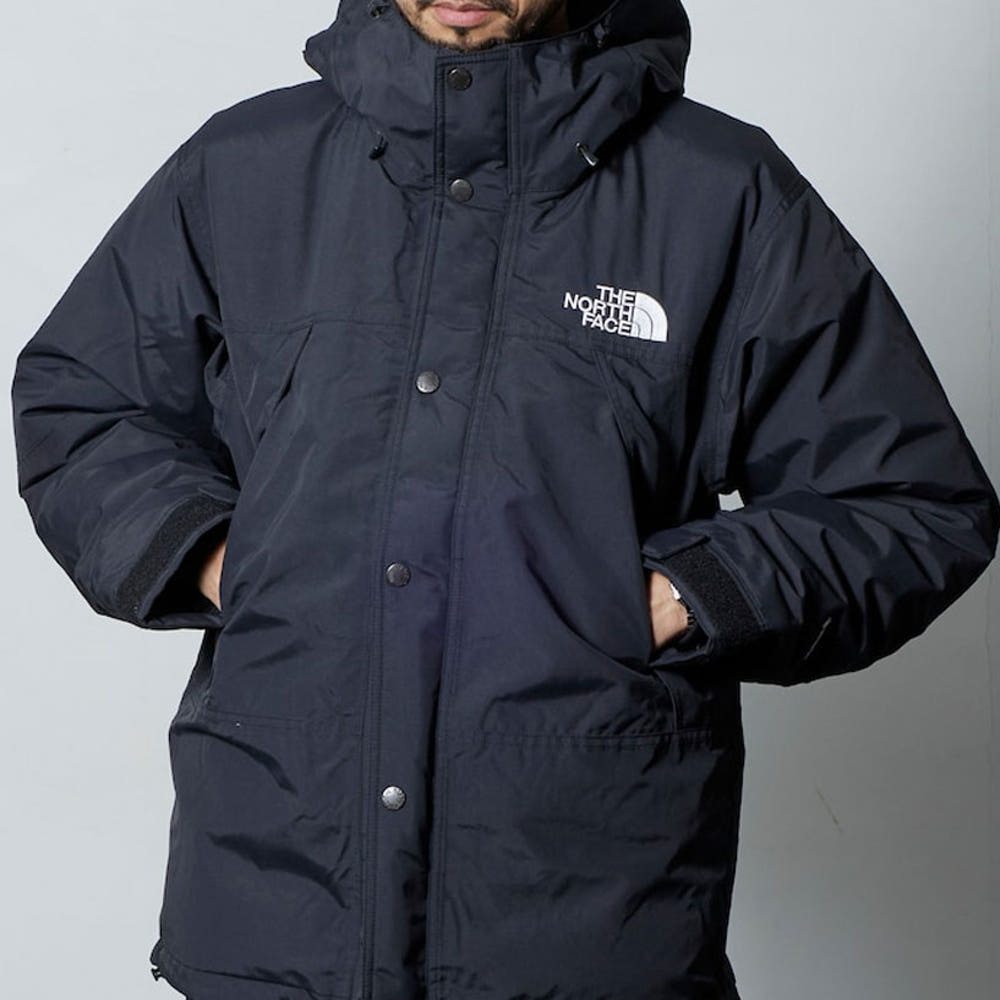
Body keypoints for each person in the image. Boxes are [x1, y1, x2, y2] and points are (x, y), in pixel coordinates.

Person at [10, 1, 998, 998]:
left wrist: (680, 596)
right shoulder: (246, 167)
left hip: (581, 904)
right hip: (280, 891)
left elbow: (909, 499)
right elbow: (83, 400)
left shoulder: (721, 192)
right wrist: (225, 562)